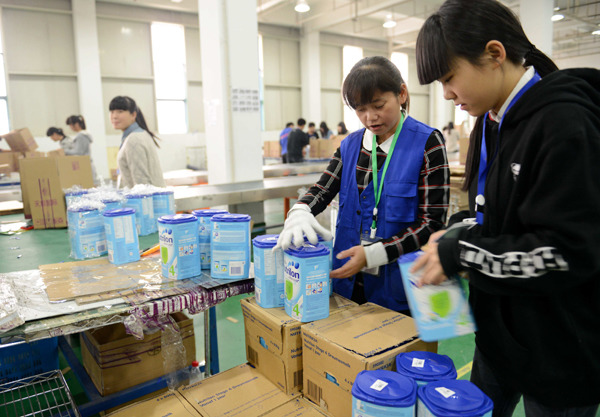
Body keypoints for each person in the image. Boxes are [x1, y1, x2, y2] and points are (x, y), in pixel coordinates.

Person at [412, 1, 600, 416]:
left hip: (559, 353)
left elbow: (565, 253)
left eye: (449, 77)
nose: (446, 93)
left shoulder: (564, 122)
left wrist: (461, 252)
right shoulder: (491, 121)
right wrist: (458, 228)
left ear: (495, 54)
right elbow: (497, 213)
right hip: (498, 338)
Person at [276, 56, 449, 312]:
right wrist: (301, 210)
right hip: (345, 280)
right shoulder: (350, 145)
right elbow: (323, 189)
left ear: (401, 94)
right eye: (360, 110)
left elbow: (432, 222)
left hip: (397, 286)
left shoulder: (427, 143)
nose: (370, 117)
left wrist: (375, 254)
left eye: (379, 105)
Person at [109, 96, 166, 188]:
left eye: (120, 111)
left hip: (144, 200)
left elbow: (142, 183)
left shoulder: (134, 140)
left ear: (133, 115)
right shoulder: (140, 134)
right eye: (112, 112)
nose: (114, 116)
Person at [65, 115, 98, 182]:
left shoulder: (81, 136)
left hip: (85, 166)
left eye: (71, 125)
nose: (70, 127)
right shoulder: (83, 135)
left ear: (77, 124)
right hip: (86, 165)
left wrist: (65, 151)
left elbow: (79, 152)